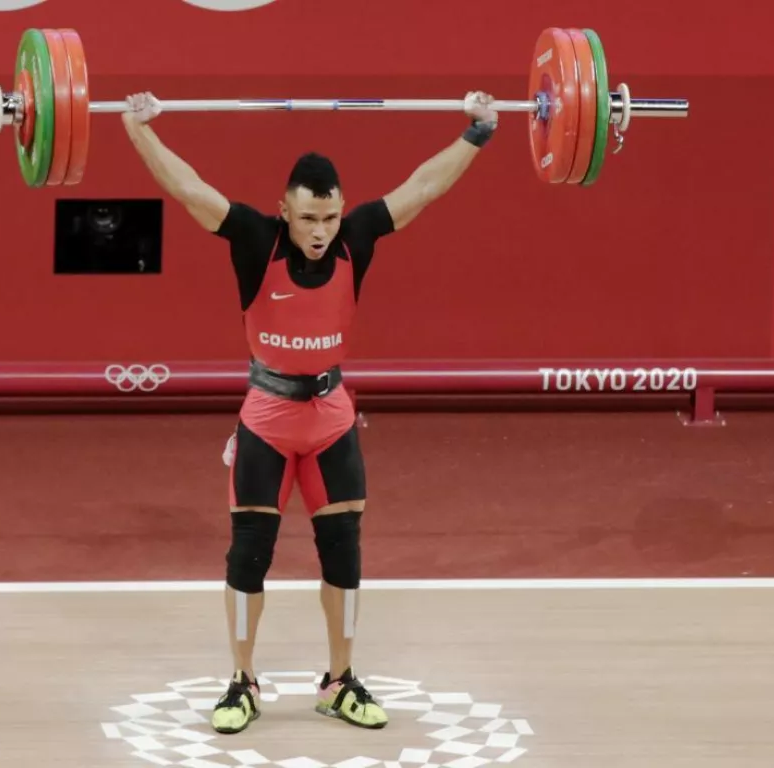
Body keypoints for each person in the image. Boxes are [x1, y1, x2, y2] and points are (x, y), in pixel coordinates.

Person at [121, 90, 499, 735]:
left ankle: (339, 682)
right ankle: (241, 683)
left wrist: (479, 132)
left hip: (331, 420)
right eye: (306, 219)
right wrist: (137, 130)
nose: (319, 232)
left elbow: (423, 186)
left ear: (340, 211)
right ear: (284, 211)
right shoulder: (253, 240)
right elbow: (189, 188)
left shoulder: (358, 239)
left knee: (343, 554)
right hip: (267, 419)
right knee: (249, 554)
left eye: (328, 218)